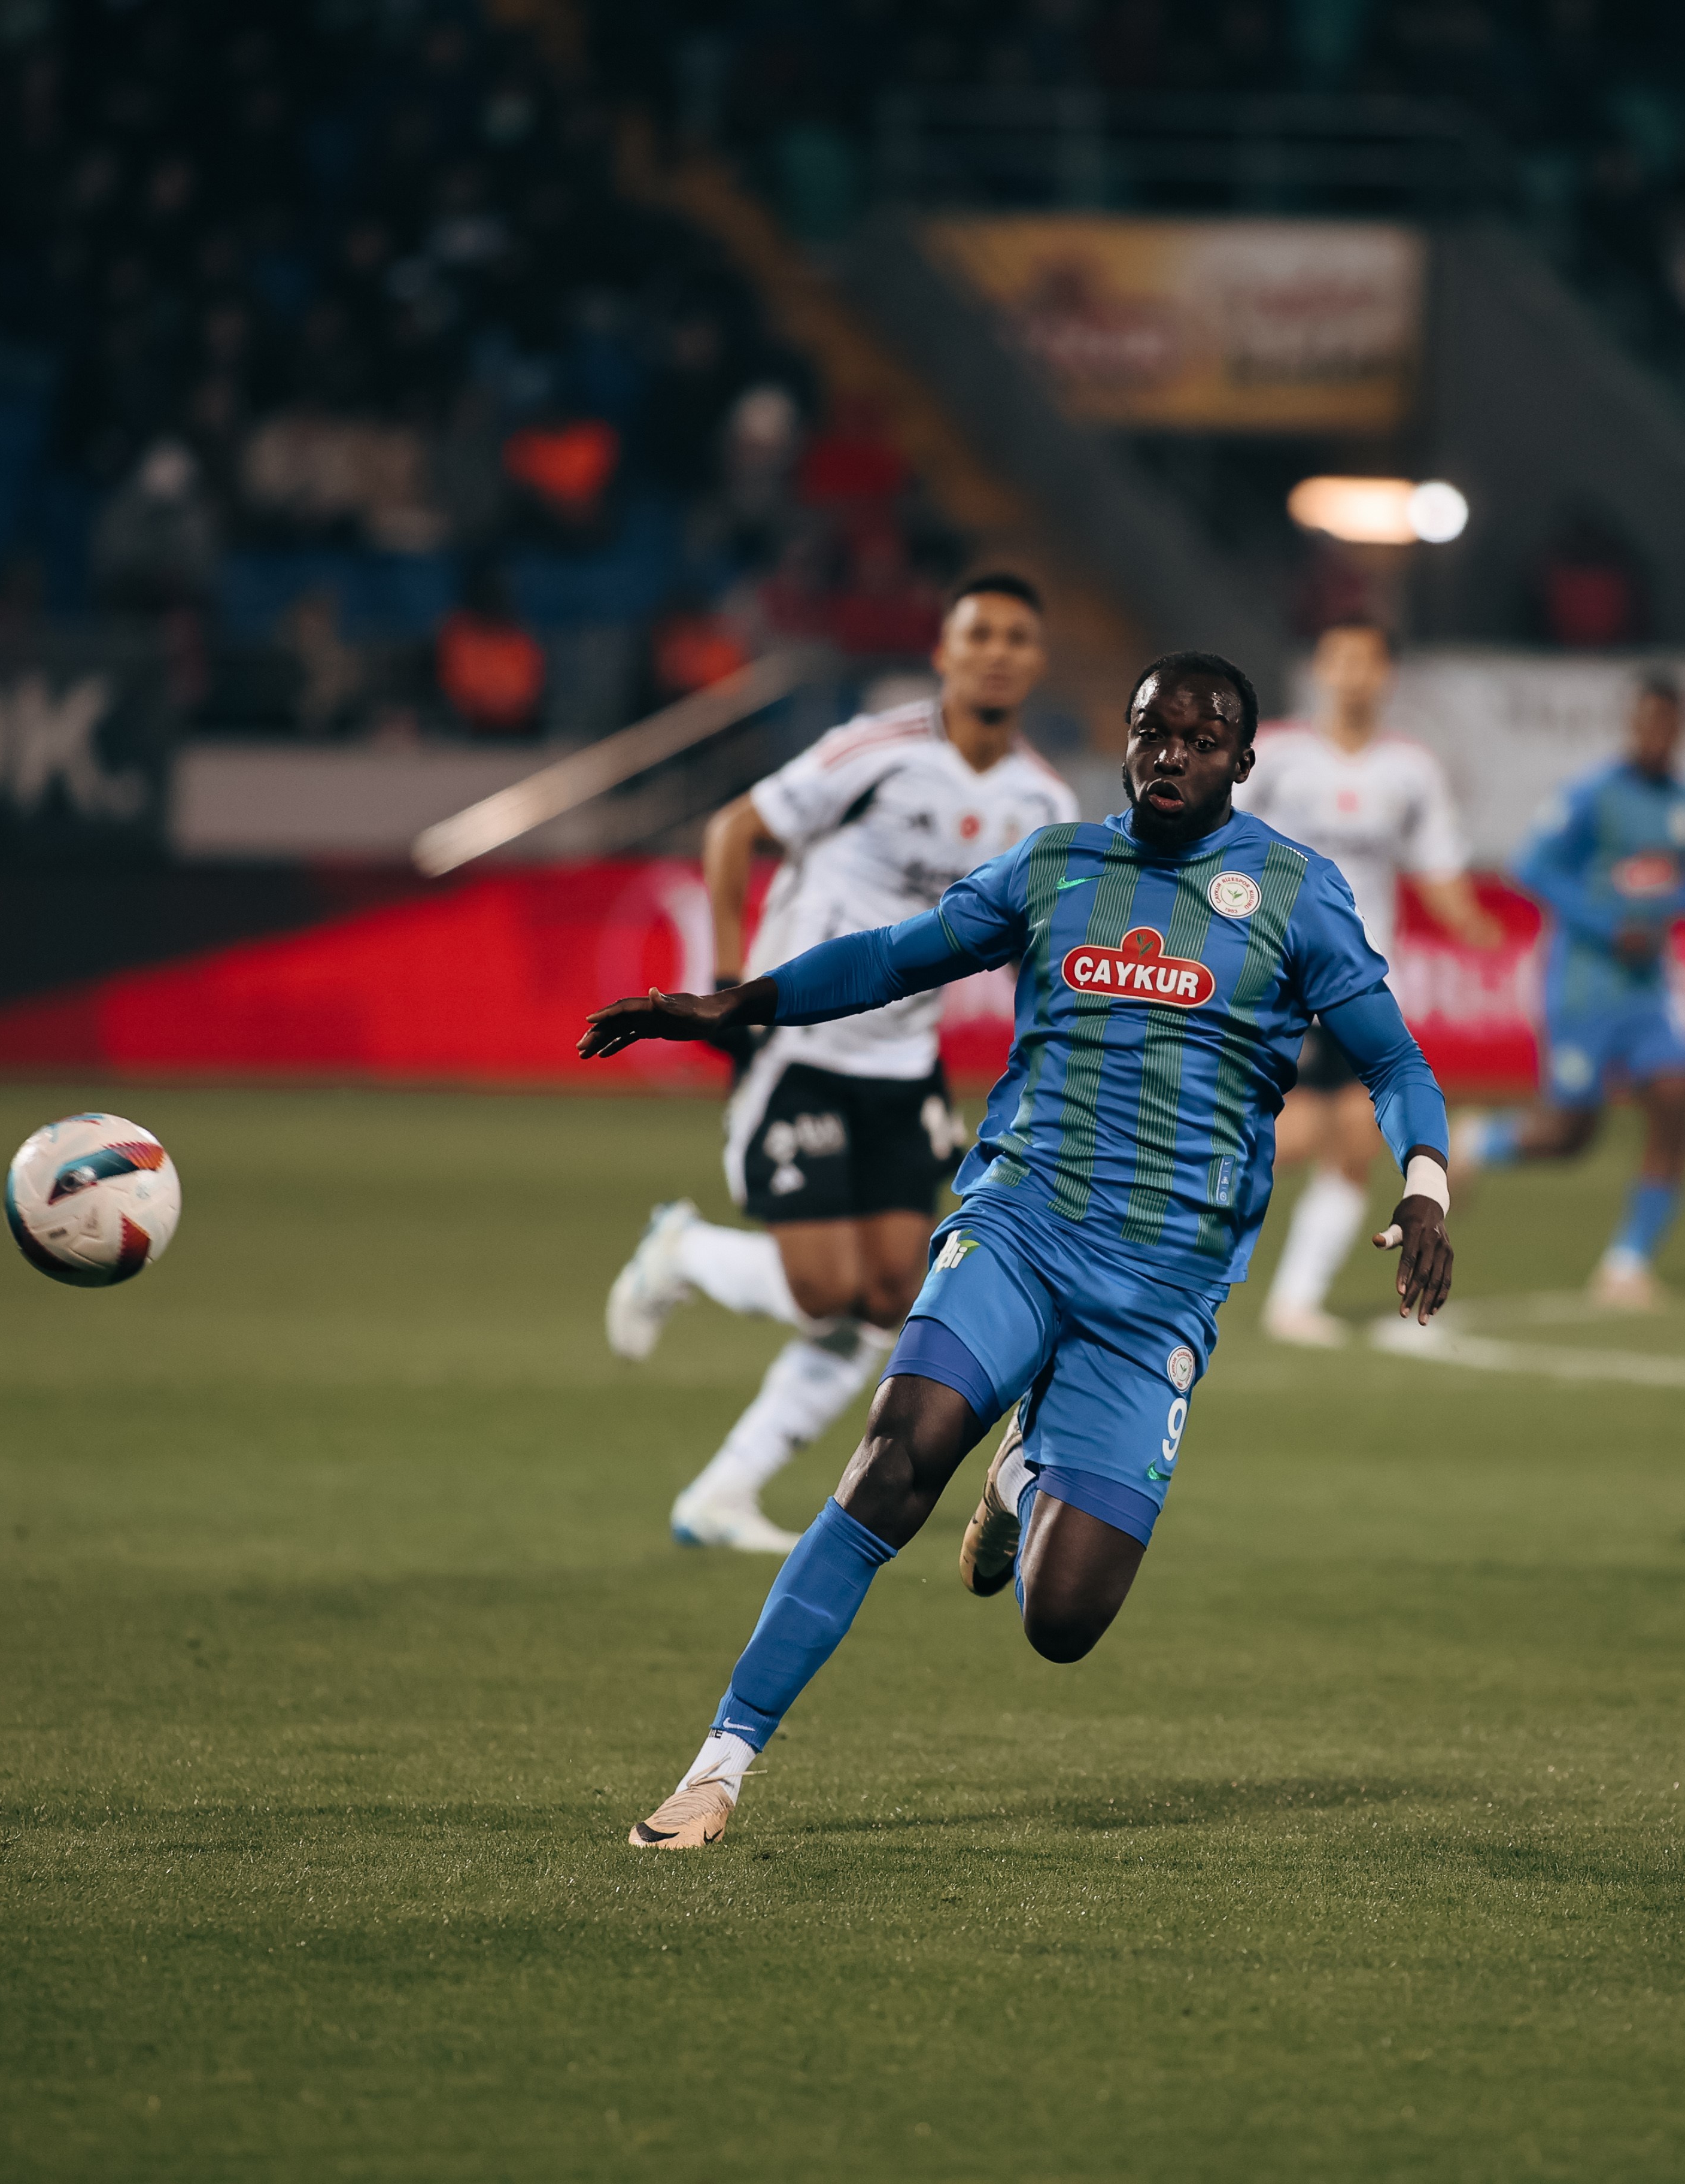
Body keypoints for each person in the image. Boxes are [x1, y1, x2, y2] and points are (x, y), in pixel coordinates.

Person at [579, 651, 1457, 1850]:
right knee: (894, 1461)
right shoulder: (1056, 867)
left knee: (1063, 1618)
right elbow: (894, 955)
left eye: (1201, 740)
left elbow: (1394, 1061)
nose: (1170, 755)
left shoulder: (1297, 894)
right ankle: (718, 1766)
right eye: (1151, 731)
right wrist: (735, 1003)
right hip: (1020, 1223)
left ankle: (1020, 1477)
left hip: (1159, 1293)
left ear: (1243, 762)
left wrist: (1424, 1187)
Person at [603, 573, 1077, 1552]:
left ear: (1038, 660)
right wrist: (729, 981)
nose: (996, 652)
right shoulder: (876, 750)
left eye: (1016, 637)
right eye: (979, 633)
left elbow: (1038, 941)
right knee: (823, 1287)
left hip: (905, 1062)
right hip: (805, 1044)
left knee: (892, 1296)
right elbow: (735, 827)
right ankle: (683, 1250)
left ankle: (722, 1492)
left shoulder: (1043, 800)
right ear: (943, 652)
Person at [1238, 618, 1501, 1346]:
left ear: (1386, 675)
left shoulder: (1410, 769)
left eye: (1368, 661)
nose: (1354, 674)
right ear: (1321, 670)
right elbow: (1221, 846)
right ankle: (1159, 1202)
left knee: (1356, 1138)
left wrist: (1473, 922)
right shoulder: (1275, 757)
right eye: (1341, 659)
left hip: (1360, 979)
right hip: (1278, 977)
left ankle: (1295, 1302)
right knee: (1289, 1136)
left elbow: (1437, 864)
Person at [1451, 669, 1685, 1309]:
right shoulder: (1592, 795)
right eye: (1646, 721)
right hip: (1584, 985)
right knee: (1568, 1134)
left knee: (1677, 1097)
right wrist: (1606, 924)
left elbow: (1674, 882)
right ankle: (1478, 1141)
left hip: (1648, 990)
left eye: (1668, 724)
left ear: (1682, 729)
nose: (1656, 735)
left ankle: (1627, 1264)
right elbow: (1531, 867)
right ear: (1633, 724)